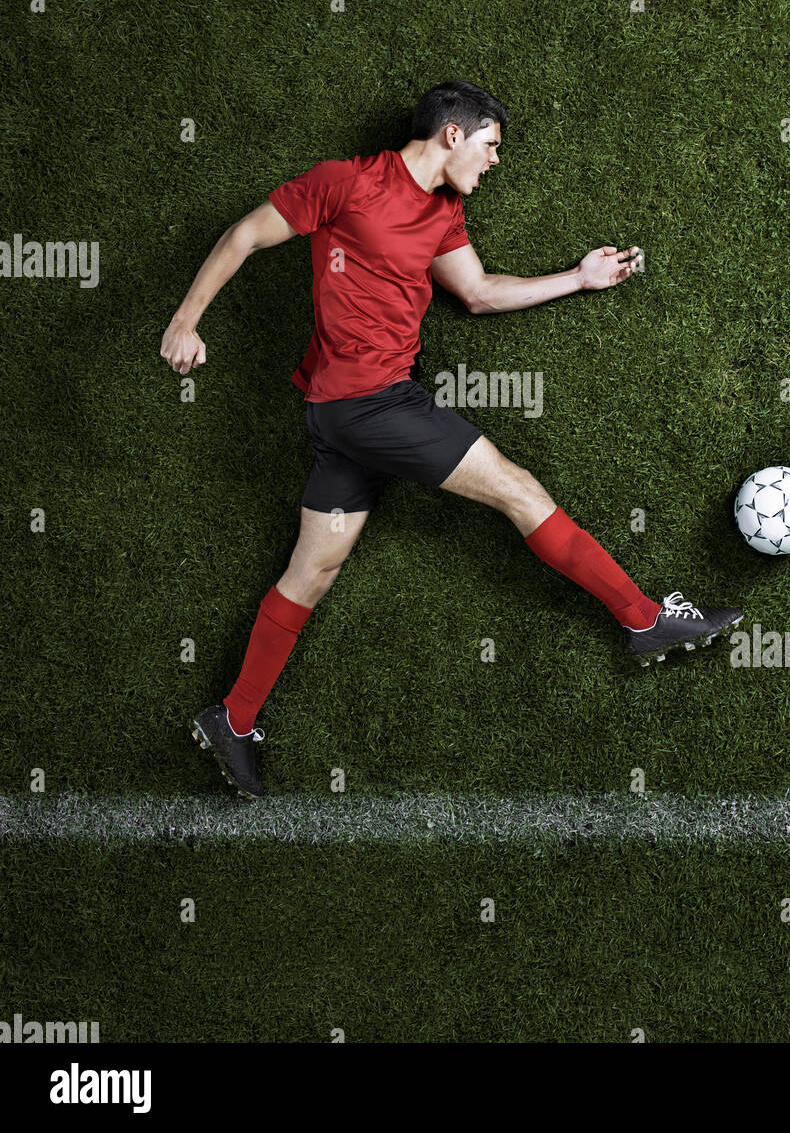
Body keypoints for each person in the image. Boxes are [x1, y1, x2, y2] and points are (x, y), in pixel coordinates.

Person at [161, 80, 743, 798]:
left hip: (346, 415)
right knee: (516, 489)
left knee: (312, 572)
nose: (496, 160)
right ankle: (644, 618)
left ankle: (233, 718)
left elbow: (478, 292)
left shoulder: (443, 212)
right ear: (451, 134)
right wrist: (187, 321)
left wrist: (578, 279)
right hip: (371, 401)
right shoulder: (344, 184)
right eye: (492, 145)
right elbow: (246, 233)